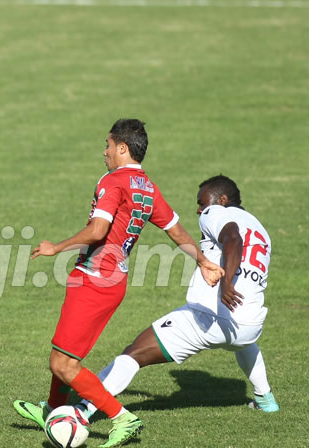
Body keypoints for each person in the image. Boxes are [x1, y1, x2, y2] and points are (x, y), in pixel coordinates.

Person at [13, 119, 223, 448]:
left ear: (122, 148)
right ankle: (53, 409)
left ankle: (121, 417)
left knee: (63, 363)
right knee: (63, 351)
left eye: (108, 145)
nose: (104, 152)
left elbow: (98, 230)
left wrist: (57, 247)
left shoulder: (112, 182)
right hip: (112, 279)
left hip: (96, 278)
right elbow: (176, 230)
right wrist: (203, 261)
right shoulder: (147, 187)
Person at [77, 175, 278, 420]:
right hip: (249, 325)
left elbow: (232, 238)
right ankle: (265, 398)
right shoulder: (260, 230)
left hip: (209, 317)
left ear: (221, 200)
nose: (199, 209)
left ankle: (80, 411)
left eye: (202, 202)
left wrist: (226, 282)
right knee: (243, 341)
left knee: (134, 353)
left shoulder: (215, 213)